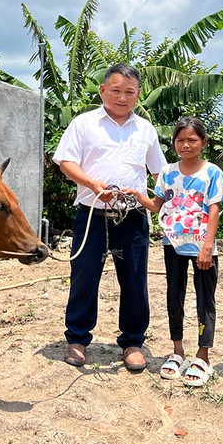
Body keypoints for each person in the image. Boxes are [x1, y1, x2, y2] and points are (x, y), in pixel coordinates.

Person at [53, 63, 166, 371]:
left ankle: (132, 342)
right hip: (91, 214)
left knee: (134, 282)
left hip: (132, 217)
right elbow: (65, 161)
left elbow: (160, 172)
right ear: (103, 90)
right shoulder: (84, 123)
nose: (122, 97)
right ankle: (77, 339)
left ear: (138, 94)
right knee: (84, 277)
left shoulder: (145, 129)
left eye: (129, 92)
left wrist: (159, 201)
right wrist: (91, 184)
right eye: (115, 90)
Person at [125, 118, 223, 387]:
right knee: (175, 296)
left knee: (205, 299)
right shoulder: (168, 173)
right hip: (173, 244)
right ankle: (177, 351)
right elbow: (157, 205)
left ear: (203, 143)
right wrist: (138, 196)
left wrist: (208, 245)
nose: (186, 145)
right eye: (180, 140)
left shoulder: (212, 173)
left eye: (192, 140)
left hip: (202, 247)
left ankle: (202, 355)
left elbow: (214, 210)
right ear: (173, 143)